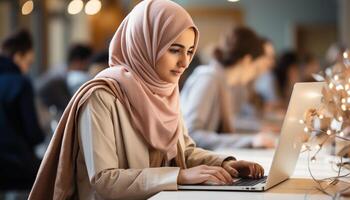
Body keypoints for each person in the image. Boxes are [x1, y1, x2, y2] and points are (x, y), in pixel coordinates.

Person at [29, 1, 264, 199]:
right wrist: (179, 176)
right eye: (174, 49)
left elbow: (183, 151)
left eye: (190, 51)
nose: (184, 62)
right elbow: (104, 180)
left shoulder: (165, 91)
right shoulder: (102, 96)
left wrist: (224, 163)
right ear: (145, 43)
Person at [181, 26, 275, 150]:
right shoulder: (208, 79)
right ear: (247, 61)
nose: (255, 74)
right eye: (256, 68)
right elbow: (191, 134)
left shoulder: (223, 82)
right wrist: (249, 141)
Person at [0, 29, 45, 190]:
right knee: (55, 172)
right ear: (18, 56)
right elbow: (33, 134)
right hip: (15, 164)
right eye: (28, 63)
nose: (27, 69)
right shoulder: (21, 83)